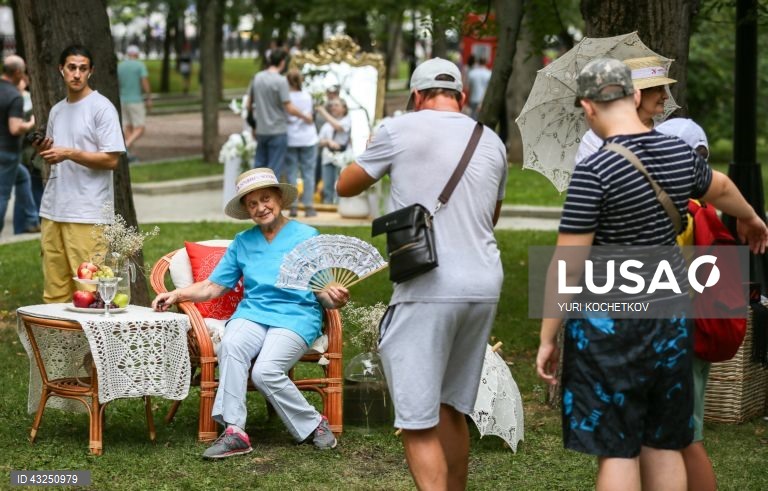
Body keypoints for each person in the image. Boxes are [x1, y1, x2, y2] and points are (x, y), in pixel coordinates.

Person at [535, 58, 768, 490]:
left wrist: (549, 336)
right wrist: (751, 218)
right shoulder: (679, 153)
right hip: (668, 316)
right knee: (664, 443)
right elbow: (719, 187)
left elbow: (567, 263)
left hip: (609, 323)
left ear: (588, 107)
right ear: (634, 95)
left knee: (618, 449)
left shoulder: (594, 170)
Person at [337, 57, 508, 489]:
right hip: (484, 283)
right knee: (452, 407)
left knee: (417, 420)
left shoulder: (398, 129)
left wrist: (377, 147)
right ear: (461, 97)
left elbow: (346, 185)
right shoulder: (490, 139)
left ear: (416, 96)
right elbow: (493, 215)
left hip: (428, 283)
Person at [151, 167, 350, 459]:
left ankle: (314, 423)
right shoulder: (243, 242)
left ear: (280, 199)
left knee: (266, 372)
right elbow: (212, 288)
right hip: (253, 314)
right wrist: (177, 294)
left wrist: (335, 299)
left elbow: (323, 291)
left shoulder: (308, 236)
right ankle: (235, 432)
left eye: (266, 199)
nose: (261, 207)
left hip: (296, 316)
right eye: (252, 203)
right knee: (231, 345)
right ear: (246, 209)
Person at [35, 45, 125, 304]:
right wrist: (46, 150)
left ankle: (89, 346)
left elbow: (111, 159)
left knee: (90, 291)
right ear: (61, 69)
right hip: (53, 209)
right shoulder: (57, 110)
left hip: (87, 212)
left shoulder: (101, 108)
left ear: (91, 71)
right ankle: (58, 345)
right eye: (71, 67)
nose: (76, 74)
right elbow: (57, 153)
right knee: (54, 292)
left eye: (82, 68)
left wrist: (69, 153)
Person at [656, 117, 717, 491]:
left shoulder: (678, 212)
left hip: (672, 334)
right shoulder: (702, 207)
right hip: (693, 330)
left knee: (686, 440)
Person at [575, 56, 676, 164]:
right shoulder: (594, 140)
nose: (666, 96)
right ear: (636, 94)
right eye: (659, 89)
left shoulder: (669, 133)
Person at [247, 48, 312, 179]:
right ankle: (268, 198)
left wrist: (253, 125)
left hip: (261, 129)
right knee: (273, 170)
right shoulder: (281, 81)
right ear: (282, 62)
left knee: (259, 167)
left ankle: (256, 195)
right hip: (277, 130)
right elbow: (289, 107)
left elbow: (249, 104)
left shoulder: (257, 77)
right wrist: (305, 116)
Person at [0, 55, 36, 236]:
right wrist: (30, 123)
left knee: (23, 178)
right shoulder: (14, 96)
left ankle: (32, 219)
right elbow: (15, 128)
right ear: (17, 72)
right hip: (7, 153)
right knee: (3, 194)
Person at [284, 68, 318, 218]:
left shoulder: (285, 98)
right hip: (308, 137)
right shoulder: (307, 96)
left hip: (291, 137)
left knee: (291, 173)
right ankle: (309, 205)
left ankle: (293, 206)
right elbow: (310, 115)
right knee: (308, 173)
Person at [117, 44, 152, 159]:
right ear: (136, 54)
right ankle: (125, 146)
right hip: (135, 100)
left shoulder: (120, 66)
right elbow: (144, 81)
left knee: (128, 126)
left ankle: (129, 155)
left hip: (123, 100)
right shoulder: (139, 65)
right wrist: (148, 97)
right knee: (140, 128)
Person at [316, 98, 351, 204]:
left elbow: (338, 126)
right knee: (327, 186)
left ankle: (340, 208)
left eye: (336, 105)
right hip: (327, 157)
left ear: (344, 108)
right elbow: (319, 141)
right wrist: (327, 141)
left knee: (341, 185)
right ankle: (327, 208)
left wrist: (323, 112)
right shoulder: (326, 125)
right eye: (332, 106)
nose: (333, 107)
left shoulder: (347, 120)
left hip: (343, 157)